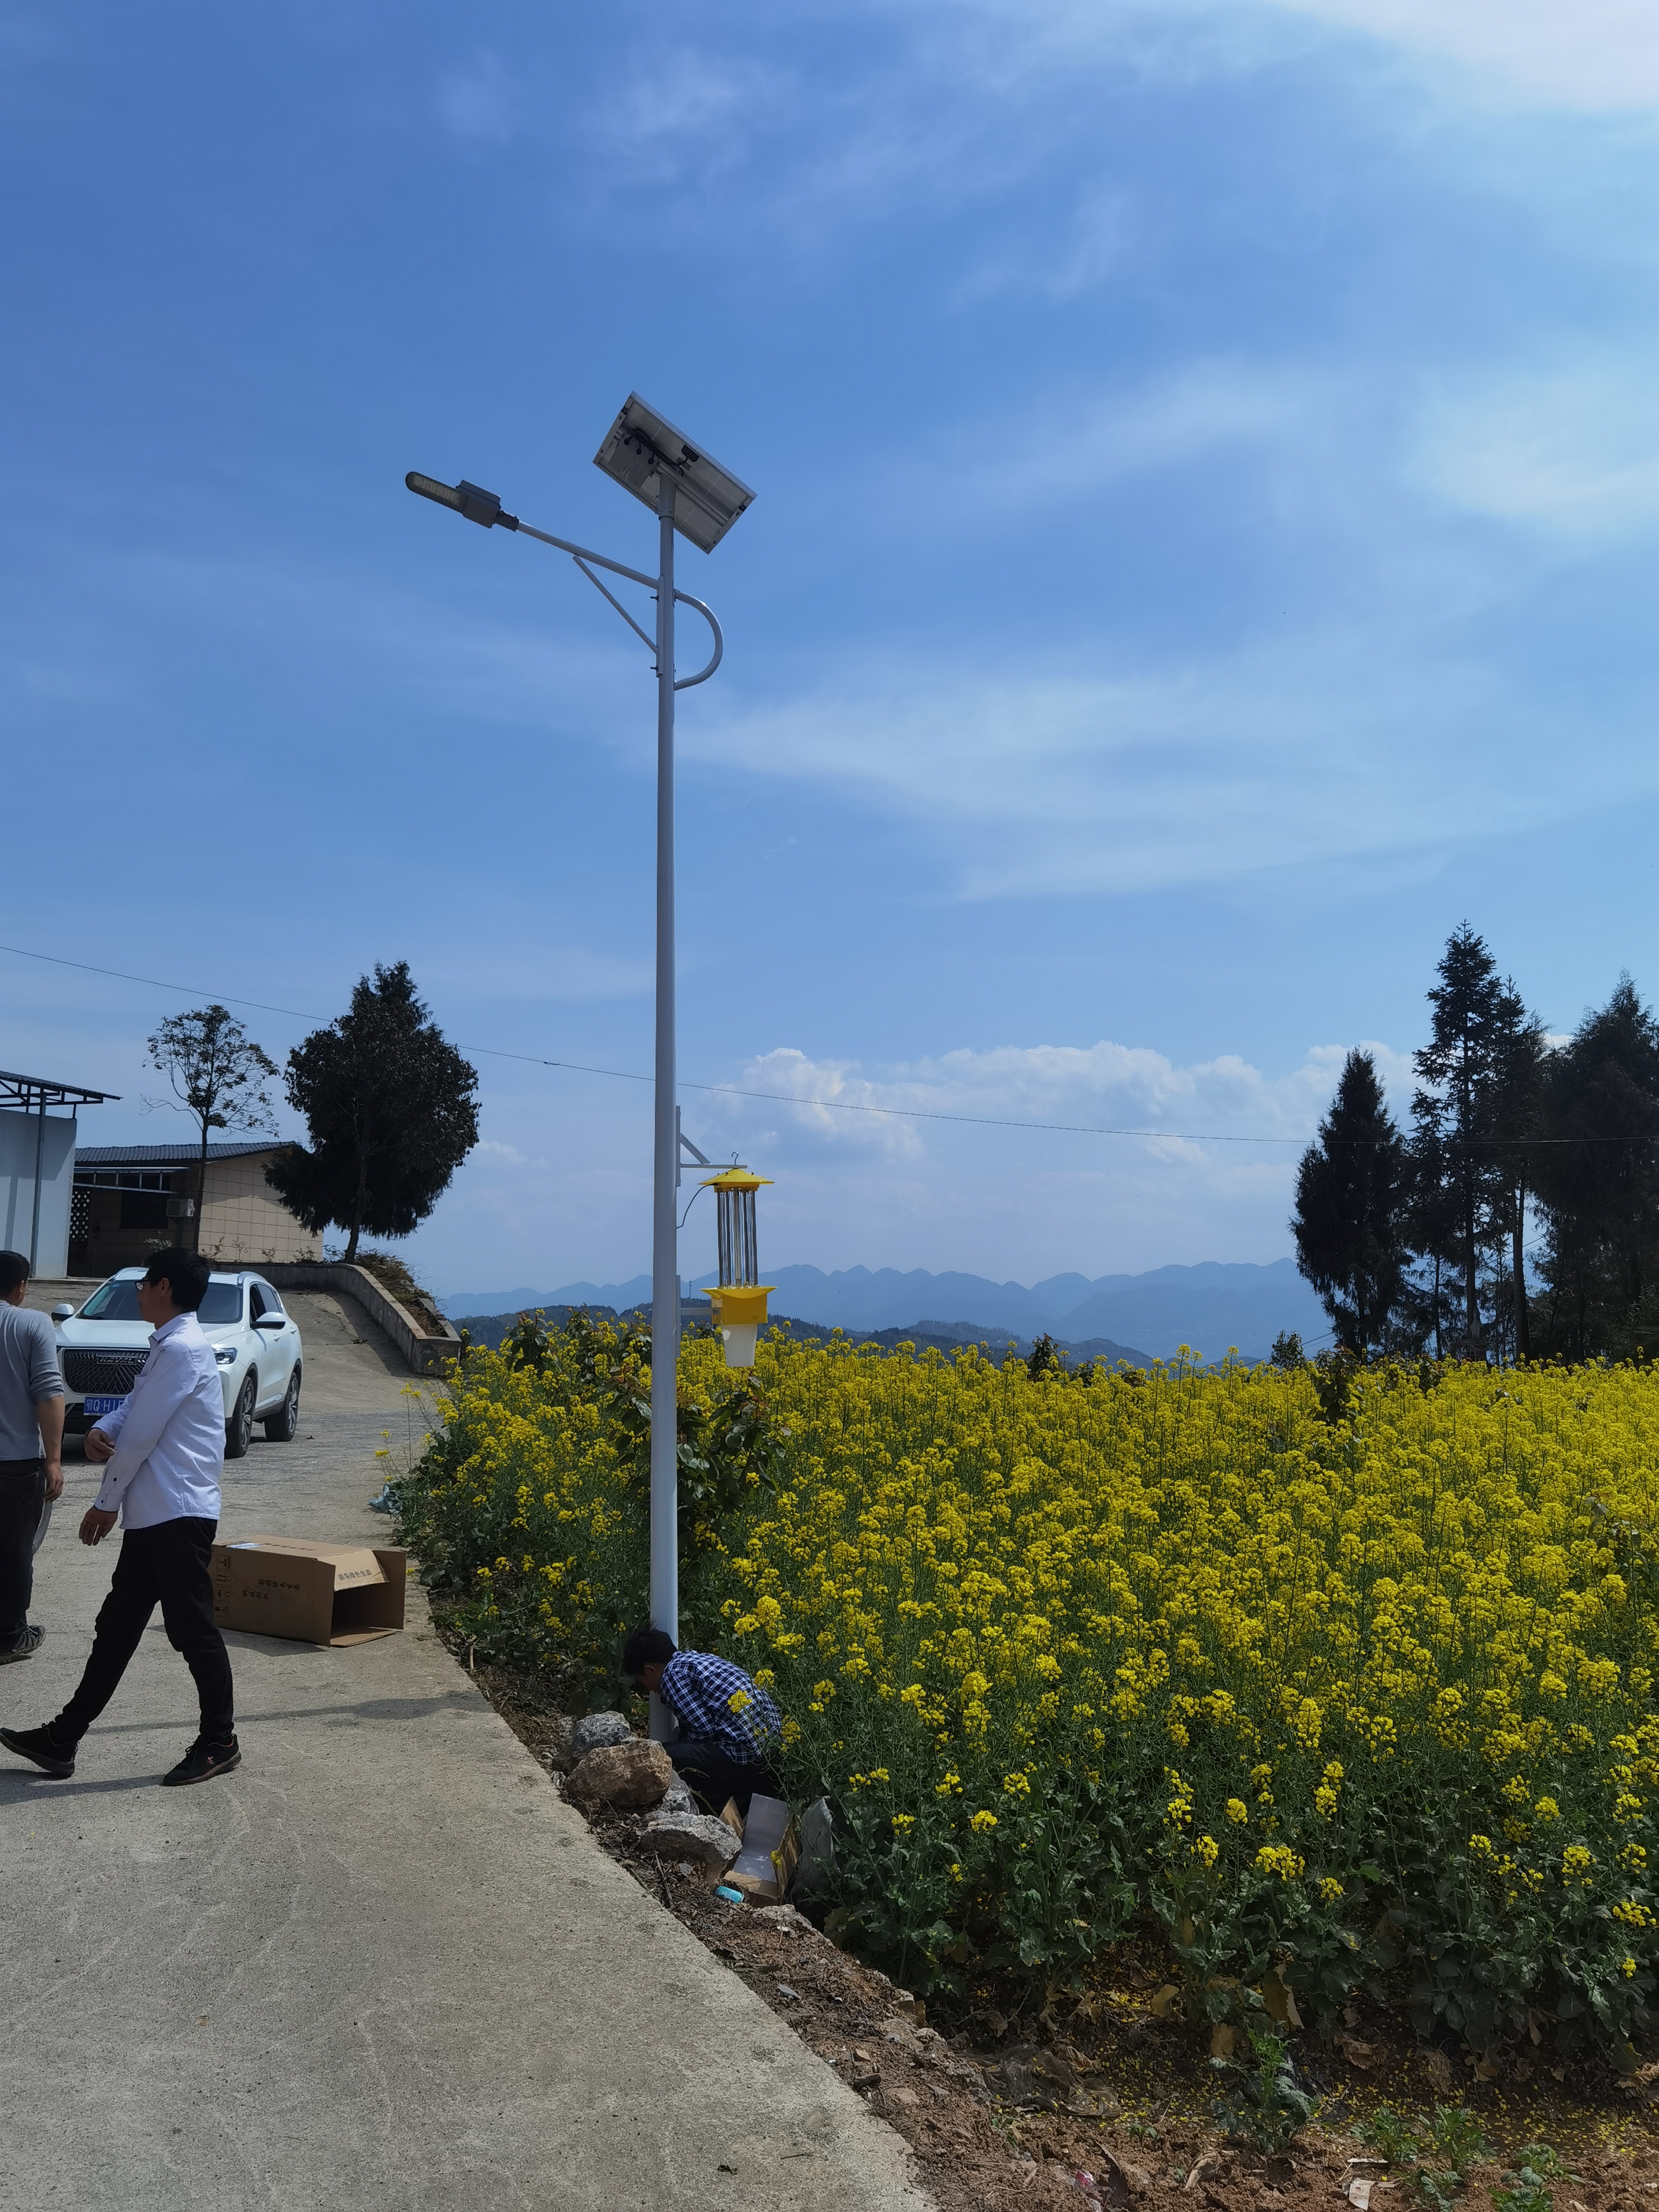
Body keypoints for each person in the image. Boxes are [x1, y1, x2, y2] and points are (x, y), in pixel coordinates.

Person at [0, 1246, 239, 1787]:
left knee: (192, 1629)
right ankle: (63, 1738)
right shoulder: (167, 1346)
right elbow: (135, 1408)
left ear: (165, 1288)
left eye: (144, 1284)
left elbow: (145, 1435)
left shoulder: (183, 1349)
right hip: (155, 1515)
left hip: (178, 1513)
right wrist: (104, 1430)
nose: (138, 1292)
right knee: (117, 1627)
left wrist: (104, 1503)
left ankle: (220, 1740)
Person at [622, 1626, 783, 1815]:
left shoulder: (672, 1675)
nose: (649, 1691)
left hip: (744, 1758)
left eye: (642, 1682)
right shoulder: (698, 1660)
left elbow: (703, 1730)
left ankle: (732, 1809)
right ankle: (742, 1802)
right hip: (771, 1756)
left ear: (650, 1670)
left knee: (659, 1755)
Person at [0, 1250, 65, 1663]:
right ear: (21, 1286)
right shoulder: (31, 1323)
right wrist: (55, 1459)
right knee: (13, 1550)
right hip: (15, 1465)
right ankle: (9, 1635)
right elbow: (49, 1394)